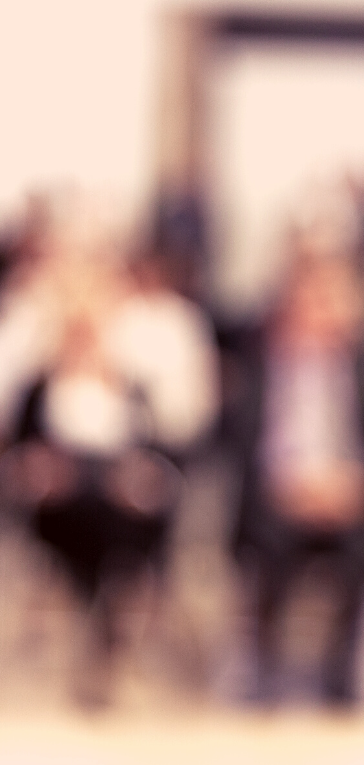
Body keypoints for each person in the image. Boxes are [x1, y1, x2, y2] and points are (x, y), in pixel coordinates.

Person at [0, 235, 219, 708]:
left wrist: (140, 475)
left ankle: (99, 634)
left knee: (121, 507)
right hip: (60, 507)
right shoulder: (39, 385)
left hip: (123, 504)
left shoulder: (135, 384)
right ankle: (104, 636)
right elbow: (20, 454)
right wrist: (39, 470)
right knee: (85, 504)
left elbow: (163, 450)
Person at [230, 250, 364, 707]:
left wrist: (352, 484)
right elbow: (245, 441)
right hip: (279, 494)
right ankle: (264, 666)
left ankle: (342, 672)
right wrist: (292, 484)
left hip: (349, 496)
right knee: (266, 544)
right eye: (315, 298)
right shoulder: (262, 365)